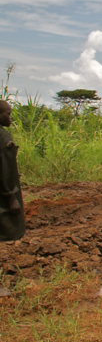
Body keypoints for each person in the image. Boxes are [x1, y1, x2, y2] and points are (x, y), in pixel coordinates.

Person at [0, 100, 25, 241]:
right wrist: (11, 196)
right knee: (8, 226)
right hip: (4, 191)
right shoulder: (3, 138)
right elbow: (6, 169)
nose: (10, 118)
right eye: (8, 114)